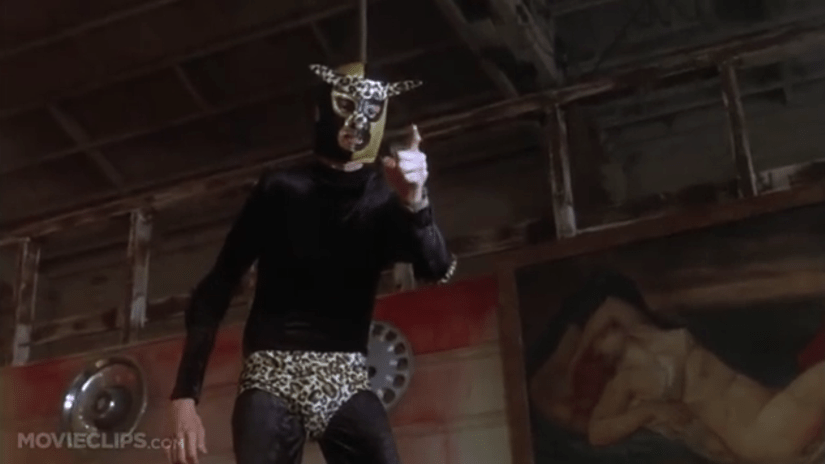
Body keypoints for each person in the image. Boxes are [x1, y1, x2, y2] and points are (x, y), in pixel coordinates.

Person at [164, 62, 457, 464]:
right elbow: (217, 285)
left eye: (371, 108)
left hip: (347, 377)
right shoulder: (281, 189)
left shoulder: (382, 197)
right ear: (321, 110)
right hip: (271, 374)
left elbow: (437, 267)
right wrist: (184, 396)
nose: (358, 119)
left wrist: (416, 201)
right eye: (346, 104)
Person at [530, 271, 825, 464]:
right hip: (757, 433)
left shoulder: (645, 334)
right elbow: (597, 433)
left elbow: (610, 306)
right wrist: (648, 411)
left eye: (599, 335)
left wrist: (581, 352)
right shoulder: (625, 383)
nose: (603, 334)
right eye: (596, 343)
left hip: (769, 405)